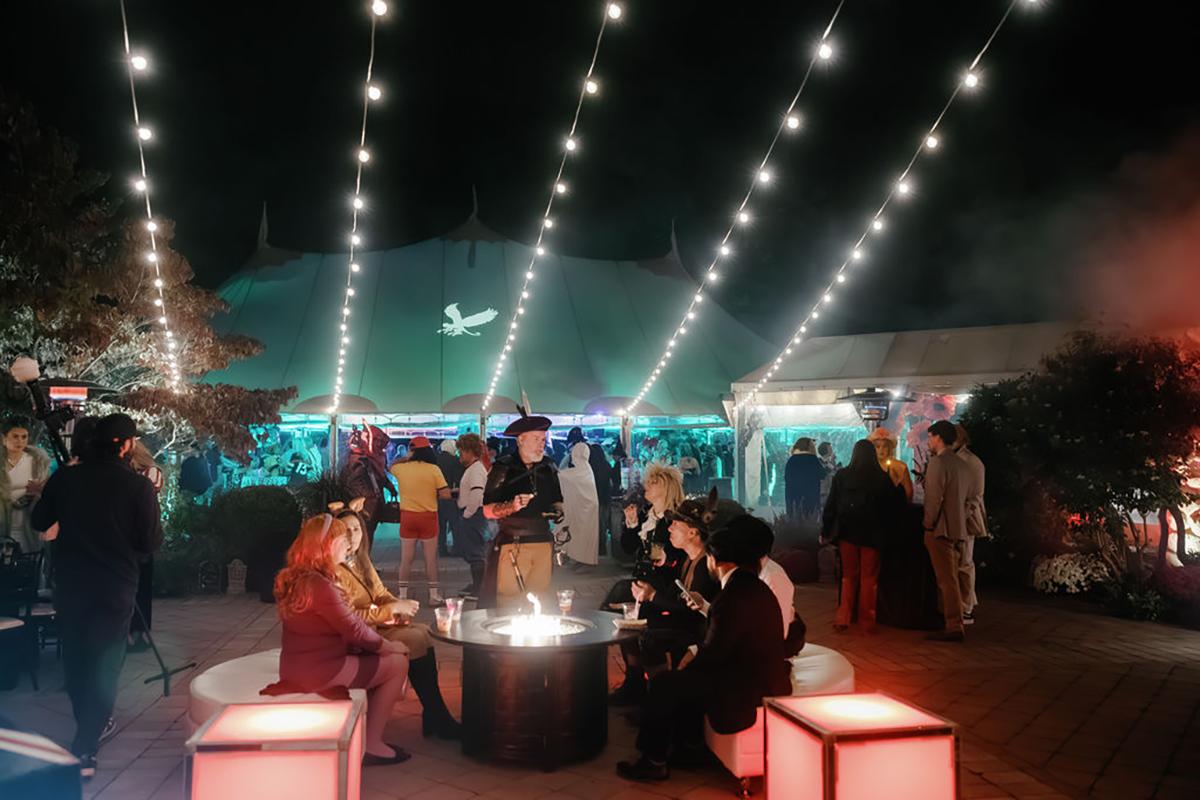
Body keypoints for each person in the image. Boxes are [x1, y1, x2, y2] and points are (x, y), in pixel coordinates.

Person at [30, 414, 161, 779]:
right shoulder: (137, 487)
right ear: (125, 444)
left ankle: (87, 730)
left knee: (76, 657)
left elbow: (40, 521)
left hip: (71, 583)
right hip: (115, 585)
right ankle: (86, 743)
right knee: (105, 662)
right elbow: (150, 542)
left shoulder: (66, 477)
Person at [616, 518, 793, 781]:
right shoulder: (752, 587)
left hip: (746, 687)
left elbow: (715, 654)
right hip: (756, 675)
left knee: (667, 684)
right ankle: (688, 746)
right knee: (681, 673)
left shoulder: (733, 595)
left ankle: (654, 760)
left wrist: (690, 663)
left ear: (716, 560)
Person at [273, 514, 411, 765]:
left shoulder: (298, 577)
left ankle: (365, 728)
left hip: (295, 667)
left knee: (379, 656)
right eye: (340, 539)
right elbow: (355, 630)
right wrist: (390, 646)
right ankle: (372, 743)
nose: (347, 545)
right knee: (398, 663)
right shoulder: (321, 585)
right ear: (327, 545)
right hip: (322, 672)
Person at [332, 505, 460, 739]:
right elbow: (348, 618)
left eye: (356, 529)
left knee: (422, 632)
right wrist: (390, 610)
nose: (353, 536)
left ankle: (434, 714)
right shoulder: (334, 570)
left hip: (374, 626)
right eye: (346, 531)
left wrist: (398, 607)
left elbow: (380, 593)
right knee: (414, 638)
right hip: (357, 636)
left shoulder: (360, 560)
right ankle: (436, 715)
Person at [480, 413, 563, 608]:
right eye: (536, 439)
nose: (541, 444)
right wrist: (511, 506)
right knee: (508, 600)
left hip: (543, 542)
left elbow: (557, 500)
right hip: (513, 544)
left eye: (543, 439)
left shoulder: (548, 466)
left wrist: (557, 511)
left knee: (540, 601)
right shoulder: (503, 467)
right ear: (521, 439)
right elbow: (487, 510)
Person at [822, 440, 905, 634]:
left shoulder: (842, 476)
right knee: (869, 578)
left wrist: (827, 529)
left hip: (847, 532)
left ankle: (843, 617)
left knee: (848, 576)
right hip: (873, 534)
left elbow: (831, 505)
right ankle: (867, 621)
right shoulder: (881, 478)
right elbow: (894, 506)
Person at [922, 421, 972, 642]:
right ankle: (955, 620)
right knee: (954, 576)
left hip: (940, 528)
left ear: (938, 437)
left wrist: (928, 524)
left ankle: (952, 624)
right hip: (958, 526)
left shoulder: (938, 463)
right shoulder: (963, 464)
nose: (929, 442)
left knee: (946, 579)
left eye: (930, 437)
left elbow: (934, 498)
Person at [390, 436, 451, 605]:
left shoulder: (401, 469)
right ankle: (433, 596)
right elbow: (445, 494)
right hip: (428, 517)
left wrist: (406, 457)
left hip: (407, 517)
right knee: (430, 559)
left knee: (406, 559)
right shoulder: (434, 469)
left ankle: (402, 595)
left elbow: (390, 466)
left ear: (412, 451)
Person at [126, 441, 164, 651]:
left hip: (142, 537)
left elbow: (149, 492)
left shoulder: (150, 473)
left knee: (141, 587)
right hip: (129, 538)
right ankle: (132, 632)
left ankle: (139, 632)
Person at [2, 417, 50, 557]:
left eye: (24, 437)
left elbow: (46, 489)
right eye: (15, 436)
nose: (20, 441)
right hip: (4, 521)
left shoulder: (36, 462)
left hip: (28, 521)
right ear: (4, 438)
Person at [954, 423, 987, 624]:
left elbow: (975, 495)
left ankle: (966, 606)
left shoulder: (972, 462)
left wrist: (963, 513)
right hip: (956, 517)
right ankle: (963, 602)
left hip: (966, 519)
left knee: (965, 562)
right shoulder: (954, 459)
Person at [342, 425, 393, 551]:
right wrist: (367, 496)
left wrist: (388, 486)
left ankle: (366, 563)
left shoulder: (369, 458)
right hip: (364, 504)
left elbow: (377, 475)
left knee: (367, 534)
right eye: (378, 442)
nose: (381, 446)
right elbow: (353, 481)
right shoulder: (359, 459)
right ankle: (363, 565)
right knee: (364, 535)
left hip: (370, 502)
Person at [454, 433, 489, 597]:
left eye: (461, 452)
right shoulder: (475, 468)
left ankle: (478, 589)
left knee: (476, 553)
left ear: (469, 451)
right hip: (473, 514)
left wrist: (467, 514)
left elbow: (477, 494)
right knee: (474, 552)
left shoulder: (475, 470)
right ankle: (477, 585)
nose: (460, 455)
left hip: (473, 515)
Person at [560, 441, 600, 567]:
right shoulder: (585, 468)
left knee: (582, 537)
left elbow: (560, 474)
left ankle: (583, 560)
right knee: (583, 537)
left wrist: (566, 458)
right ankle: (581, 560)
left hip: (586, 511)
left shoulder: (581, 469)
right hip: (586, 510)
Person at [867, 427, 914, 502]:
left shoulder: (900, 466)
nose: (881, 450)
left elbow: (909, 492)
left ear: (889, 448)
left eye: (885, 446)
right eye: (878, 446)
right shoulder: (868, 466)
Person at [436, 439, 464, 558]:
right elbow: (459, 480)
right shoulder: (455, 461)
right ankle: (457, 548)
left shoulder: (435, 461)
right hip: (451, 497)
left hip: (437, 497)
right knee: (455, 525)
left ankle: (441, 549)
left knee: (440, 526)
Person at [784, 437, 824, 518]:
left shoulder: (791, 460)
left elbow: (786, 478)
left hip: (793, 496)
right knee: (810, 519)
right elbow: (823, 474)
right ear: (809, 446)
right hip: (810, 496)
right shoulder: (813, 459)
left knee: (795, 519)